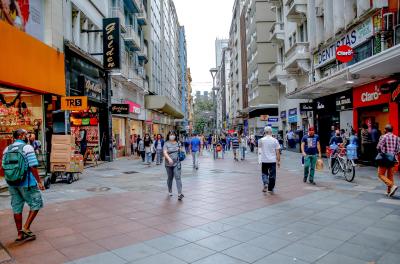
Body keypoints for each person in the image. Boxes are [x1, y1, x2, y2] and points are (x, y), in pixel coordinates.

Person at [2, 129, 45, 242]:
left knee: (16, 208)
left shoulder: (7, 149)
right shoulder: (27, 147)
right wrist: (39, 182)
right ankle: (26, 227)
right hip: (27, 183)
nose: (27, 136)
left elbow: (3, 167)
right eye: (26, 135)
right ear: (21, 136)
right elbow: (33, 167)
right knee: (36, 203)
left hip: (12, 184)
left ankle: (19, 235)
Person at [376, 124, 399, 197]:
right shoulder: (397, 138)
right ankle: (389, 191)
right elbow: (398, 150)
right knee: (390, 175)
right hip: (393, 159)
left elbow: (378, 147)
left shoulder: (383, 137)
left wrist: (382, 152)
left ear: (385, 130)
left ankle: (392, 185)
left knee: (380, 174)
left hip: (384, 159)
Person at [258, 126, 280, 193]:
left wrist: (259, 160)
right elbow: (277, 152)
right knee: (272, 175)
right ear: (271, 132)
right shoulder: (275, 140)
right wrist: (278, 161)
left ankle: (265, 183)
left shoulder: (261, 140)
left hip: (264, 160)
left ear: (264, 132)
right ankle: (270, 188)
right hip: (272, 161)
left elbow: (259, 150)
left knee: (264, 173)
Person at [163, 131, 184, 200]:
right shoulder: (166, 143)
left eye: (173, 134)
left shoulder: (178, 143)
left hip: (177, 163)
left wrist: (180, 149)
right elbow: (165, 152)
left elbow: (181, 151)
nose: (172, 136)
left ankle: (180, 193)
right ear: (168, 135)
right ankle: (170, 190)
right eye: (170, 135)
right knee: (170, 178)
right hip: (168, 163)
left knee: (178, 177)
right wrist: (169, 159)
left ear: (175, 135)